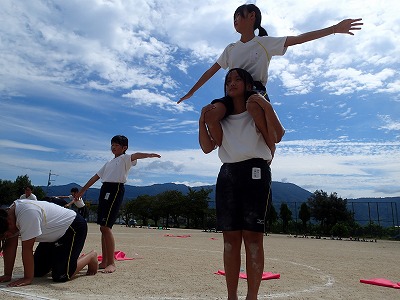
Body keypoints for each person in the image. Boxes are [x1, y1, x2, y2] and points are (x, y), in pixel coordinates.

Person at [180, 3, 363, 156]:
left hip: (255, 90)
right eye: (233, 17)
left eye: (239, 15)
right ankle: (222, 147)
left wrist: (334, 29)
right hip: (233, 89)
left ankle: (270, 147)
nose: (235, 20)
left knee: (253, 105)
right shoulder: (230, 48)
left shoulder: (264, 42)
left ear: (252, 16)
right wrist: (191, 91)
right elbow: (210, 71)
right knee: (211, 113)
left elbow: (298, 39)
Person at [199, 68, 284, 300]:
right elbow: (207, 148)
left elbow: (278, 135)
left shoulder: (254, 109)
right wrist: (201, 120)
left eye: (238, 79)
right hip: (228, 173)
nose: (231, 83)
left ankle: (252, 296)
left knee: (253, 238)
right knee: (230, 240)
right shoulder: (221, 116)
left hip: (255, 170)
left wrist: (266, 104)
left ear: (249, 85)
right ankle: (232, 296)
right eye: (228, 80)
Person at [75, 135, 161, 274]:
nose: (113, 147)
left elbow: (136, 155)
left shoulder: (125, 159)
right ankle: (103, 262)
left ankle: (111, 263)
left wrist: (150, 155)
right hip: (104, 190)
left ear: (124, 147)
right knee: (102, 228)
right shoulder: (108, 163)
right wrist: (82, 190)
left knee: (106, 227)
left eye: (116, 145)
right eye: (112, 145)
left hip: (115, 190)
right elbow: (95, 177)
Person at [0, 199, 98, 287]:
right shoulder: (8, 215)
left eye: (6, 235)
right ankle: (59, 258)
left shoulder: (27, 214)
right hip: (50, 235)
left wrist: (28, 278)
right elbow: (10, 245)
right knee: (36, 271)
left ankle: (91, 257)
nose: (8, 236)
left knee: (61, 275)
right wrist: (7, 274)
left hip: (72, 227)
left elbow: (27, 249)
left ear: (9, 223)